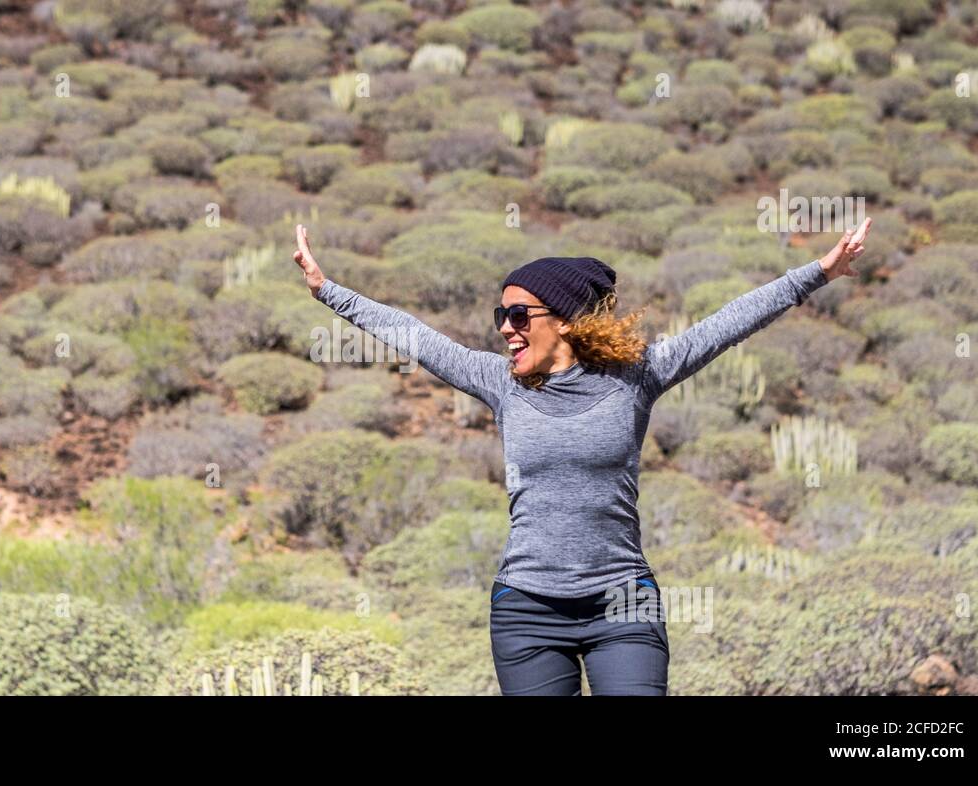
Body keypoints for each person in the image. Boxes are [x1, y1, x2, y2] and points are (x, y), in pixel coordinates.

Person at [292, 218, 872, 696]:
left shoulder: (636, 377)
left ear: (565, 320)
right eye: (501, 317)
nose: (506, 330)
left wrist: (818, 272)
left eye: (518, 316)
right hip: (527, 608)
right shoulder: (500, 383)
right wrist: (327, 290)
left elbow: (727, 323)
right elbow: (412, 335)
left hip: (622, 601)